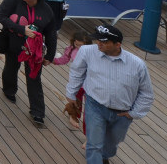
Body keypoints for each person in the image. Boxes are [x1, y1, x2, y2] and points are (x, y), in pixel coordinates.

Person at [65, 24, 154, 164]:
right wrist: (71, 93)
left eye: (104, 41)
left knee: (111, 145)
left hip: (122, 113)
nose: (98, 43)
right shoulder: (87, 51)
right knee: (93, 145)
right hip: (94, 105)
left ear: (117, 44)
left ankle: (104, 156)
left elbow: (146, 93)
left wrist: (134, 113)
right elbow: (77, 72)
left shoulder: (137, 65)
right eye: (98, 40)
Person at [0, 0, 58, 127]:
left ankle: (38, 112)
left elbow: (51, 34)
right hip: (13, 43)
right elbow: (0, 16)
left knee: (34, 78)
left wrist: (50, 55)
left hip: (34, 51)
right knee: (11, 68)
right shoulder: (13, 0)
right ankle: (9, 90)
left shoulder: (46, 10)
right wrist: (21, 29)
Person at [54, 31, 93, 129]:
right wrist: (52, 60)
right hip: (78, 83)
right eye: (76, 44)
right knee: (75, 102)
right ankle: (74, 116)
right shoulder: (71, 49)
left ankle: (88, 134)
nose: (79, 47)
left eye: (81, 46)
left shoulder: (93, 53)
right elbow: (64, 59)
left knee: (90, 110)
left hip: (90, 84)